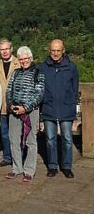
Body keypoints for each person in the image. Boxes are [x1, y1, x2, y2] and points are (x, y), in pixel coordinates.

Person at [39, 39, 79, 179]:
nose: (55, 53)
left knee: (67, 139)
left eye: (58, 50)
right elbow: (39, 88)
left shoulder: (71, 67)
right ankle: (52, 166)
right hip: (48, 107)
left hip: (66, 107)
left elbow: (75, 89)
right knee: (50, 139)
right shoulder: (42, 67)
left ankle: (67, 167)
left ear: (63, 50)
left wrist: (73, 105)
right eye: (53, 50)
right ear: (49, 50)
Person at [5, 46, 44, 182]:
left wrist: (25, 108)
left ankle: (29, 170)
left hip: (31, 111)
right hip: (14, 110)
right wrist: (10, 104)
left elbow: (39, 94)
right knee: (14, 140)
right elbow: (9, 89)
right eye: (21, 59)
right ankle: (16, 168)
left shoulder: (38, 73)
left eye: (26, 59)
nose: (23, 61)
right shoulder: (15, 73)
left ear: (31, 58)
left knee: (31, 141)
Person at [0, 38, 20, 167]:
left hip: (16, 105)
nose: (4, 52)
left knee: (17, 134)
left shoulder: (19, 63)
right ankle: (7, 157)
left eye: (6, 49)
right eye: (2, 49)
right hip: (2, 106)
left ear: (11, 49)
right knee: (4, 134)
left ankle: (19, 158)